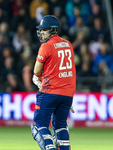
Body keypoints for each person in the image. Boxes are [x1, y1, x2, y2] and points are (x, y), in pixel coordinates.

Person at [30, 15, 76, 150]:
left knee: (40, 123)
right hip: (67, 93)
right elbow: (69, 70)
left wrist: (37, 77)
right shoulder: (68, 44)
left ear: (53, 30)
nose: (41, 32)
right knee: (61, 124)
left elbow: (37, 70)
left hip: (50, 91)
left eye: (44, 30)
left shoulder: (46, 46)